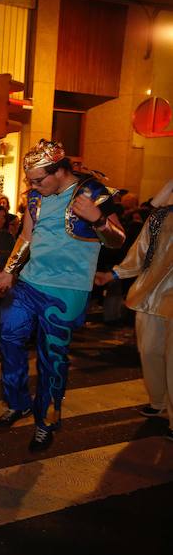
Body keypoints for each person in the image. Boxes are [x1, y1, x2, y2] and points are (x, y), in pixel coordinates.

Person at [0, 139, 125, 451]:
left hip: (66, 291)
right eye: (31, 181)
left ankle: (45, 422)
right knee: (8, 334)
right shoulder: (37, 197)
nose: (34, 187)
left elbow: (117, 241)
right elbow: (26, 236)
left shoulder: (93, 193)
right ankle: (18, 402)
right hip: (29, 283)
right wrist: (10, 271)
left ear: (61, 171)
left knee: (52, 359)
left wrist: (99, 219)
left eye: (39, 180)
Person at [94, 179, 172, 438]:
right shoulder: (158, 217)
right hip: (150, 295)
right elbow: (139, 253)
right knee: (149, 351)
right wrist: (113, 275)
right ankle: (158, 401)